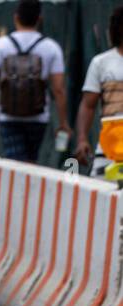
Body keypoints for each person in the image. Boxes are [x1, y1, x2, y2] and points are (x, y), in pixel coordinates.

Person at [0, 0, 69, 164]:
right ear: (39, 19)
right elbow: (59, 89)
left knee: (14, 160)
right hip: (38, 116)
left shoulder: (2, 44)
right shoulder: (51, 47)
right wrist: (63, 123)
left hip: (8, 114)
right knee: (31, 160)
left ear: (16, 18)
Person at [75, 5, 123, 177]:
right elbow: (88, 105)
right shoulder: (101, 62)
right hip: (109, 145)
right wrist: (82, 139)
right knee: (102, 190)